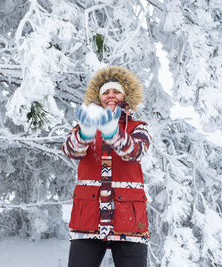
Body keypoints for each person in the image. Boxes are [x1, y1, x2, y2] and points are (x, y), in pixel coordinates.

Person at [63, 66, 151, 267]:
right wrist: (85, 132)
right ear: (98, 97)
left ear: (126, 96)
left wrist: (113, 131)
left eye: (116, 91)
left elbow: (134, 151)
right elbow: (71, 150)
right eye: (106, 92)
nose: (111, 96)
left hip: (129, 219)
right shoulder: (84, 125)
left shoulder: (138, 127)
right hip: (88, 218)